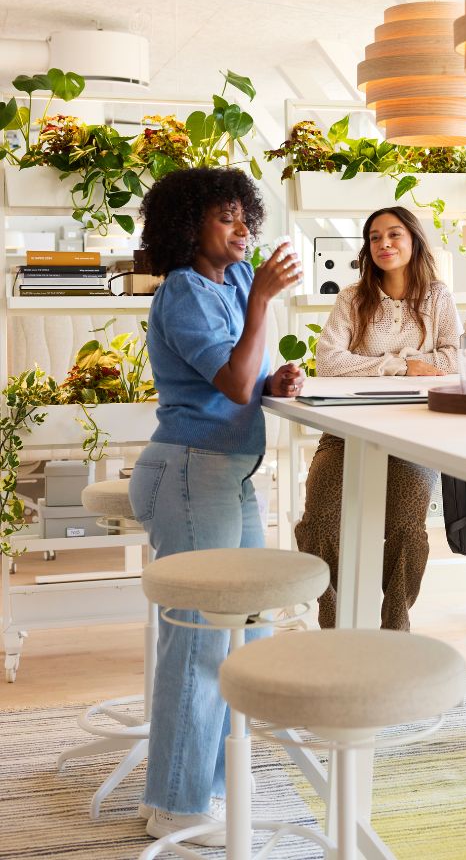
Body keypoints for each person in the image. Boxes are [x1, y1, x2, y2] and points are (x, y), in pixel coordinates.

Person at [128, 167, 304, 847]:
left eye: (245, 217)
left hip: (225, 474)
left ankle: (216, 782)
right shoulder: (184, 291)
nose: (243, 229)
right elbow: (231, 383)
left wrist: (273, 380)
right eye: (226, 217)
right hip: (189, 474)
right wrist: (262, 303)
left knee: (246, 631)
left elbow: (244, 378)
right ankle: (175, 803)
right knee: (201, 641)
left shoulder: (229, 284)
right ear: (188, 226)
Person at [295, 206, 461, 630]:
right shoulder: (353, 297)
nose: (384, 244)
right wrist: (401, 366)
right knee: (319, 523)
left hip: (412, 432)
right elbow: (329, 362)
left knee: (407, 530)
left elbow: (454, 359)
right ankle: (336, 626)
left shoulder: (438, 297)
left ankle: (394, 628)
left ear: (413, 241)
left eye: (394, 235)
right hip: (345, 433)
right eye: (374, 238)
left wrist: (370, 361)